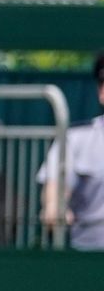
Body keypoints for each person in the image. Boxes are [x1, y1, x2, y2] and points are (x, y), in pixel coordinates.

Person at [41, 50, 104, 250]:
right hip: (90, 259)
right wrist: (55, 207)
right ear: (102, 92)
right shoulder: (76, 140)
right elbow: (56, 191)